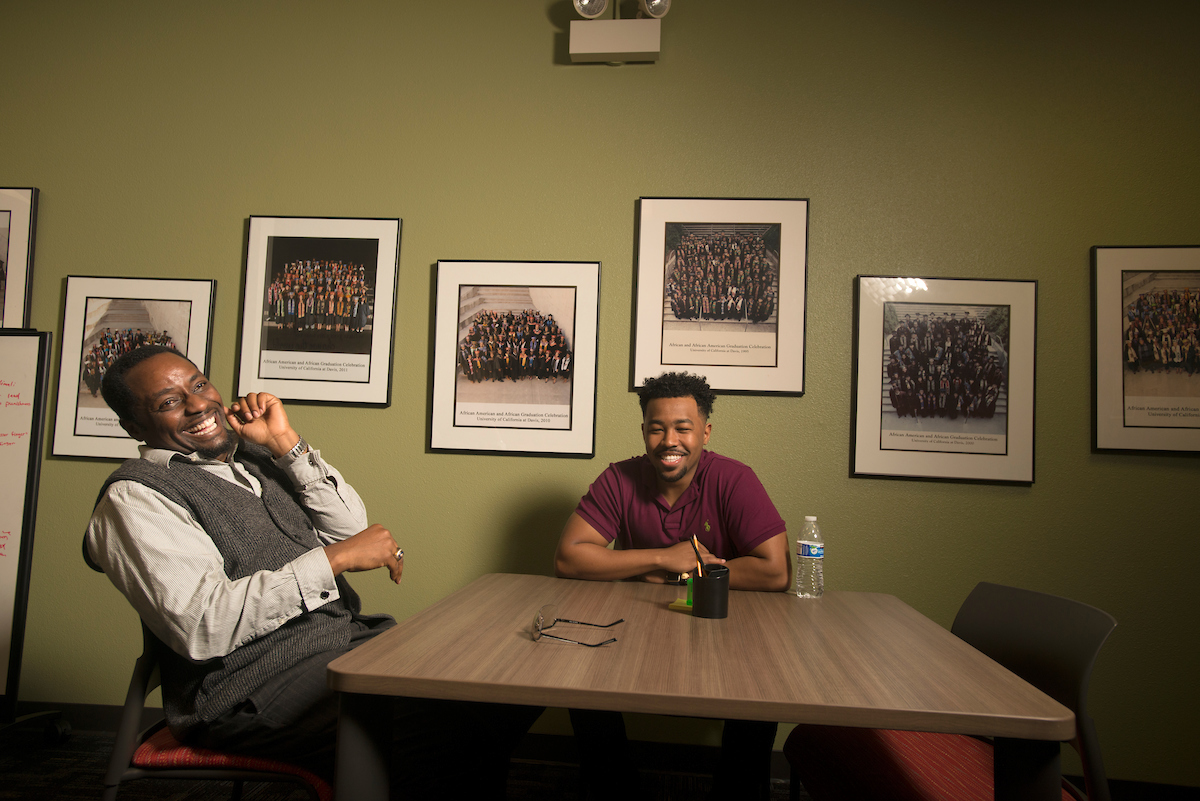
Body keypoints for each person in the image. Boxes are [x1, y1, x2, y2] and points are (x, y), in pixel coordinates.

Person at [84, 345, 540, 795]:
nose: (200, 404)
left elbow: (351, 530)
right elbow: (204, 625)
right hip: (247, 690)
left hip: (346, 647)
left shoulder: (256, 457)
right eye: (169, 402)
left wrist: (285, 444)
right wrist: (334, 560)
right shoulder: (135, 498)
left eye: (199, 384)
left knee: (506, 680)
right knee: (445, 722)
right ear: (134, 426)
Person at [554, 371, 789, 801]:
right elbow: (569, 556)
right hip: (637, 628)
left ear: (705, 431)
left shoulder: (734, 479)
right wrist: (662, 556)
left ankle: (736, 791)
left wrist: (685, 574)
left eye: (683, 428)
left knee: (761, 691)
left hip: (727, 633)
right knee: (580, 677)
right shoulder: (619, 478)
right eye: (657, 428)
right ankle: (614, 787)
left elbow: (775, 571)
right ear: (644, 431)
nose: (670, 440)